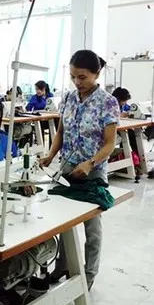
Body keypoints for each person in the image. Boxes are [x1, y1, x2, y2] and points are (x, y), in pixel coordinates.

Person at [40, 50, 119, 290]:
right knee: (62, 221)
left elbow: (109, 144)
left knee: (91, 226)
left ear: (96, 74)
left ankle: (89, 272)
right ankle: (63, 265)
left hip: (92, 172)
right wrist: (51, 155)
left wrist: (91, 163)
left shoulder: (108, 102)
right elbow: (61, 133)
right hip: (67, 168)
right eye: (73, 77)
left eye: (83, 77)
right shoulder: (68, 98)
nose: (77, 82)